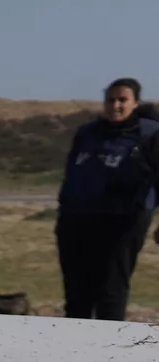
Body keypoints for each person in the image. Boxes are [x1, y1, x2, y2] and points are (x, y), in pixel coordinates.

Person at [57, 78, 159, 321]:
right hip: (77, 218)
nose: (115, 106)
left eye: (122, 100)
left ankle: (108, 350)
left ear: (135, 103)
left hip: (124, 219)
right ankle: (71, 347)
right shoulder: (87, 133)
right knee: (77, 292)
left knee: (110, 289)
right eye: (110, 100)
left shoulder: (150, 134)